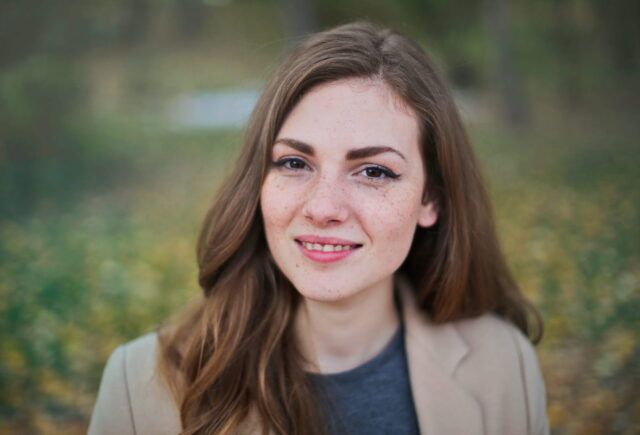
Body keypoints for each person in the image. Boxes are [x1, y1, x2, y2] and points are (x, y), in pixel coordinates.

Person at [88, 21, 549, 435]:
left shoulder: (504, 366)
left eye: (374, 172)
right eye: (294, 162)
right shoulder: (140, 386)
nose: (323, 207)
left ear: (431, 198)